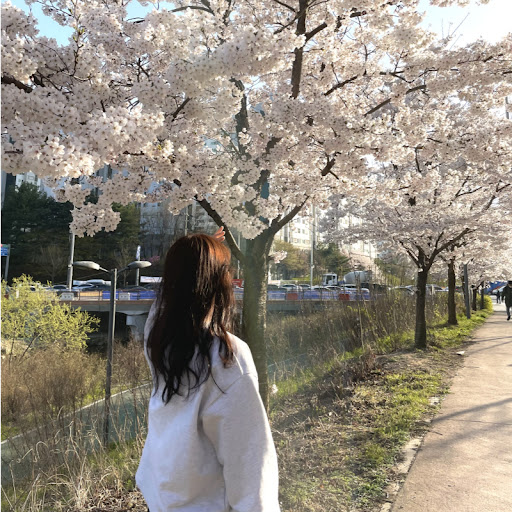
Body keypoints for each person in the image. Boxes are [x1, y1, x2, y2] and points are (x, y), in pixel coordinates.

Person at [136, 229, 280, 512]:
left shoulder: (159, 341)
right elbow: (249, 458)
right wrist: (205, 257)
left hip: (163, 499)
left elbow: (164, 307)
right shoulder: (227, 356)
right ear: (218, 284)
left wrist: (195, 254)